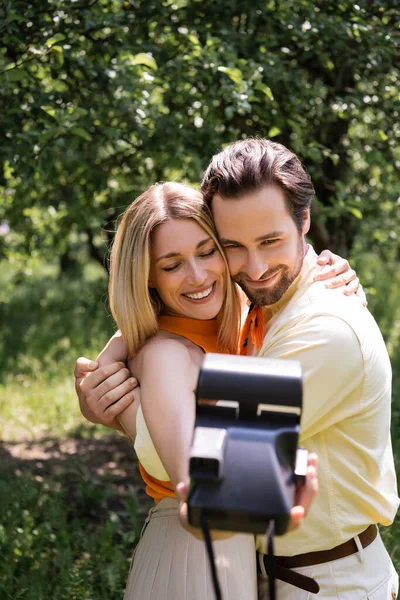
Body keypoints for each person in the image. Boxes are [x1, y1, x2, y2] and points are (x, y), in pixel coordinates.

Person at [76, 139, 398, 599]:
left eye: (271, 241)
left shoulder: (323, 330)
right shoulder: (258, 304)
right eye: (233, 246)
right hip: (261, 573)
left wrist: (119, 408)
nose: (257, 265)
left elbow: (222, 481)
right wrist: (120, 351)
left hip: (331, 583)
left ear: (304, 220)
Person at [88, 181, 320, 600]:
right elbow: (200, 494)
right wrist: (283, 493)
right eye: (171, 265)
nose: (197, 276)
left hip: (238, 560)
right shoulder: (166, 356)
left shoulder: (244, 319)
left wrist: (327, 267)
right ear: (148, 277)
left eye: (206, 251)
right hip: (191, 560)